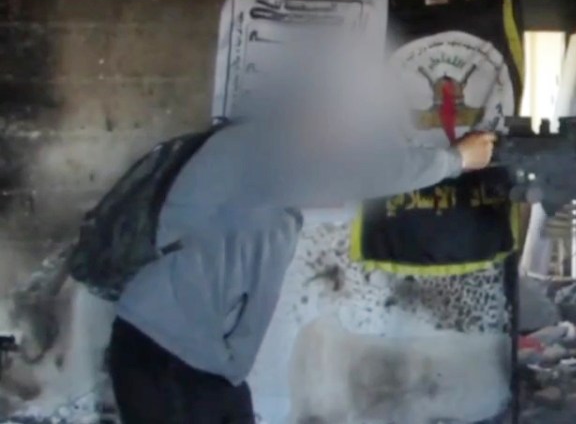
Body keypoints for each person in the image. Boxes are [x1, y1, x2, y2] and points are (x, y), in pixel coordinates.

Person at [105, 108, 497, 424]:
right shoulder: (251, 149)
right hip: (164, 354)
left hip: (210, 366)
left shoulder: (268, 172)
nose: (344, 141)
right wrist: (456, 160)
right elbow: (355, 174)